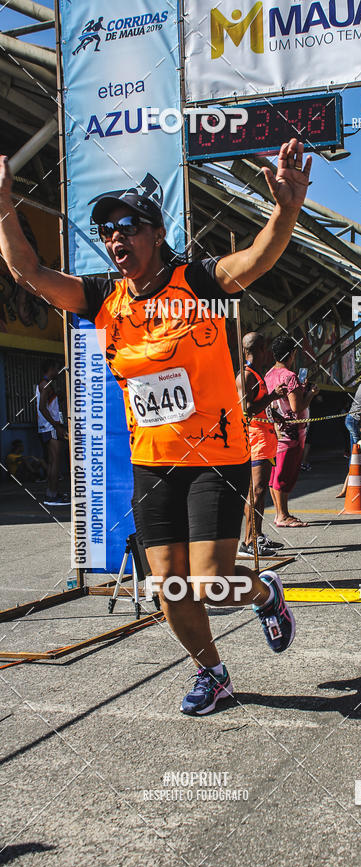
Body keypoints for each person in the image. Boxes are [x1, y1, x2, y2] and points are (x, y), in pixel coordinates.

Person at [0, 139, 312, 716]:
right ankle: (213, 673)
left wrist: (285, 209)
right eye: (108, 231)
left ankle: (265, 592)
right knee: (169, 585)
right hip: (154, 461)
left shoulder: (196, 283)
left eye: (128, 226)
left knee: (212, 581)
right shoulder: (101, 298)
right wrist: (3, 205)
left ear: (156, 233)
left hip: (216, 457)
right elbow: (27, 271)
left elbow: (257, 260)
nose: (116, 239)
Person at [236, 331, 286, 558]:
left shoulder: (256, 374)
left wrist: (273, 415)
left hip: (264, 438)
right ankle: (248, 541)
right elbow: (246, 410)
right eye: (265, 348)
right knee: (256, 491)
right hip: (255, 440)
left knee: (259, 490)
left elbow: (258, 408)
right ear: (257, 350)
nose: (268, 354)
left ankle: (256, 536)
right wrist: (273, 396)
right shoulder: (246, 376)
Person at [264, 334, 319, 527]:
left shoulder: (269, 374)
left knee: (275, 474)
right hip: (292, 433)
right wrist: (310, 393)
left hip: (274, 431)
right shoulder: (290, 377)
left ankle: (280, 513)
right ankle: (283, 515)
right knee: (285, 474)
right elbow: (297, 407)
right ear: (293, 354)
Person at [36, 359, 69, 506]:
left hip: (47, 427)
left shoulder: (46, 385)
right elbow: (43, 408)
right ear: (51, 368)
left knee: (52, 461)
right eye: (57, 368)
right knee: (55, 461)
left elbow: (48, 405)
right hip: (51, 427)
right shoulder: (46, 384)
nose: (58, 371)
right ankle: (53, 496)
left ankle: (52, 493)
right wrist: (56, 425)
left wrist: (58, 397)